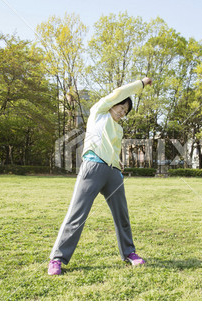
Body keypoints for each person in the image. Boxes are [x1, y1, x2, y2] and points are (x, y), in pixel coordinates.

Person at [48, 77, 153, 275]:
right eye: (121, 107)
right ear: (113, 103)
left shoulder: (119, 128)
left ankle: (129, 253)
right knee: (77, 214)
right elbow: (119, 92)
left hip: (113, 173)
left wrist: (118, 162)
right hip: (93, 168)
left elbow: (112, 148)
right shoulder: (98, 112)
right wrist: (141, 83)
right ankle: (57, 259)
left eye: (125, 111)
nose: (122, 112)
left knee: (122, 215)